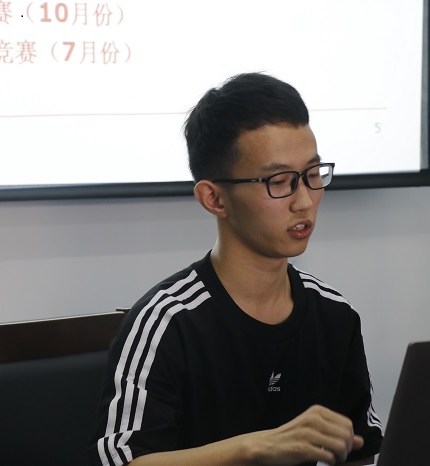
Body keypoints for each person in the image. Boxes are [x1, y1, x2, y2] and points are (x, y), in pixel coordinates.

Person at [89, 72, 383, 466]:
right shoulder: (168, 322)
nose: (304, 201)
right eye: (279, 181)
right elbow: (123, 462)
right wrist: (251, 449)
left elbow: (360, 450)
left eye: (313, 175)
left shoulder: (333, 314)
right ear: (214, 198)